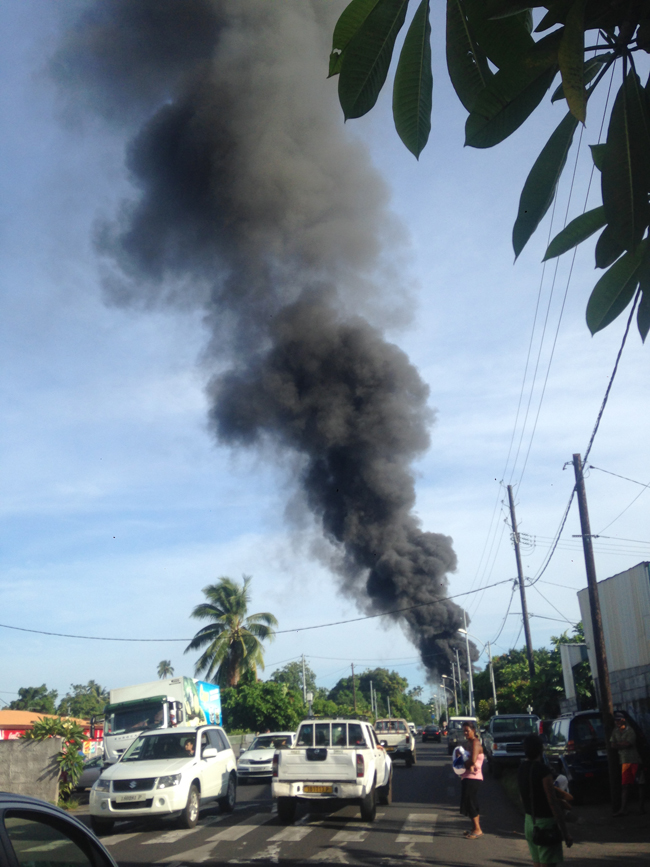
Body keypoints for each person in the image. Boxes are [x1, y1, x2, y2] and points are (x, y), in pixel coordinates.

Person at [518, 733, 572, 866]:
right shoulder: (543, 771)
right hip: (546, 825)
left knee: (537, 862)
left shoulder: (521, 769)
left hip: (529, 821)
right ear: (540, 750)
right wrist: (565, 833)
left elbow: (521, 797)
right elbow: (552, 802)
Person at [610, 711, 643, 816]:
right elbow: (613, 745)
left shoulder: (630, 731)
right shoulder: (615, 731)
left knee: (640, 784)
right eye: (615, 720)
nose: (617, 722)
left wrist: (618, 744)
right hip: (624, 761)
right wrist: (621, 744)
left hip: (634, 760)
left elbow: (628, 743)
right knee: (625, 786)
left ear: (623, 720)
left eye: (618, 720)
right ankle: (623, 809)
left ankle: (641, 807)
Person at [459, 720, 484, 839]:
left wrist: (462, 764)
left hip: (473, 778)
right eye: (463, 730)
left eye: (467, 731)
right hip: (468, 777)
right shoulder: (469, 743)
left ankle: (477, 829)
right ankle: (475, 828)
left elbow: (473, 761)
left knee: (470, 803)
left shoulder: (475, 743)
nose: (465, 733)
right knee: (471, 802)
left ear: (473, 731)